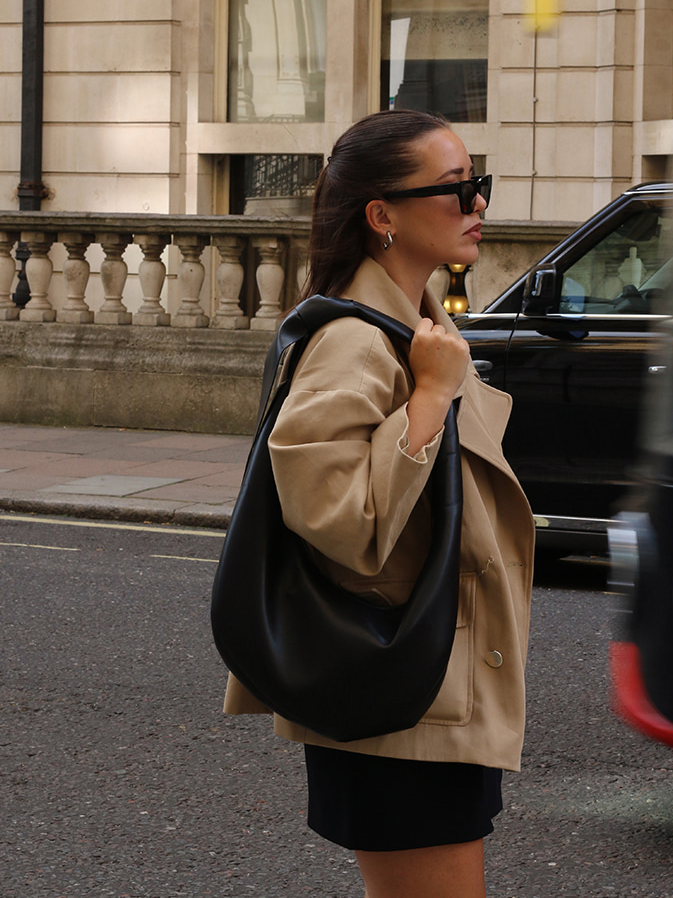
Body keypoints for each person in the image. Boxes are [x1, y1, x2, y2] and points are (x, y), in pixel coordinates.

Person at [223, 109, 535, 898]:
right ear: (382, 214)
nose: (478, 206)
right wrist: (430, 398)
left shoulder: (413, 329)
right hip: (397, 696)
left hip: (429, 690)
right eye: (456, 189)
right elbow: (343, 526)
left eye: (479, 186)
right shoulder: (354, 343)